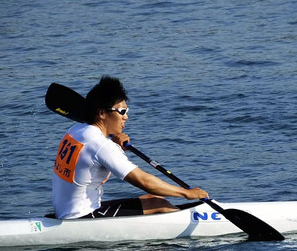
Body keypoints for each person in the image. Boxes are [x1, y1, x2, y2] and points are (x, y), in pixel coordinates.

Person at [52, 75, 208, 219]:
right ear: (101, 113)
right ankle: (193, 232)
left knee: (154, 199)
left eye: (126, 110)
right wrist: (186, 193)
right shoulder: (101, 145)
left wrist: (114, 144)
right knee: (160, 205)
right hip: (82, 217)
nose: (126, 116)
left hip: (67, 210)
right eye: (121, 111)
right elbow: (144, 181)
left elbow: (91, 156)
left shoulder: (76, 130)